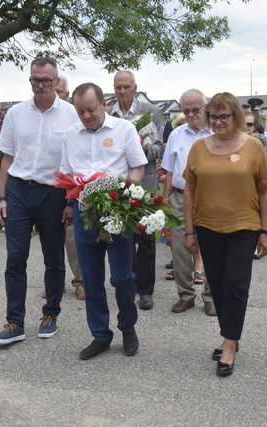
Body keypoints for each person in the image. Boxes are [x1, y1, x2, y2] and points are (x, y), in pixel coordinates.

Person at [183, 92, 267, 377]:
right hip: (208, 227)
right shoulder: (198, 148)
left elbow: (265, 190)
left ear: (236, 116)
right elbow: (189, 190)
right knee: (218, 285)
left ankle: (229, 342)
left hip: (244, 227)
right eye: (213, 116)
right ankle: (229, 333)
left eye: (224, 116)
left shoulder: (253, 147)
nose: (218, 121)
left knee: (236, 285)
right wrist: (189, 230)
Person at [0, 57, 79, 345]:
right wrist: (1, 197)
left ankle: (50, 313)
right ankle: (14, 322)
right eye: (35, 80)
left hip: (53, 193)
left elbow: (76, 162)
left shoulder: (71, 115)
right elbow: (6, 158)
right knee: (15, 257)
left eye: (46, 80)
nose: (40, 85)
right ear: (30, 80)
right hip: (18, 190)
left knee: (54, 257)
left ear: (56, 82)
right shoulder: (15, 113)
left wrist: (70, 201)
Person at [59, 82, 148, 360]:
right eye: (80, 111)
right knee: (91, 278)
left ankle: (128, 327)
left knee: (122, 278)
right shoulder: (70, 135)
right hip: (85, 213)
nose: (86, 116)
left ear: (104, 104)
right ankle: (100, 334)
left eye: (91, 110)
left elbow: (138, 167)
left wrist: (123, 194)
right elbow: (65, 174)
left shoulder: (124, 130)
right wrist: (71, 196)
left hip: (117, 213)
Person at [109, 70, 164, 310]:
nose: (122, 91)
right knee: (122, 237)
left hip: (146, 183)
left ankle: (146, 290)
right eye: (118, 87)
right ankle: (127, 284)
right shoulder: (108, 113)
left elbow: (160, 148)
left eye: (126, 86)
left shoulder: (150, 112)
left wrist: (141, 148)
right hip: (119, 183)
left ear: (135, 87)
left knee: (146, 238)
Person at [161, 89, 215, 316]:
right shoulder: (176, 135)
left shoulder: (217, 133)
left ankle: (211, 298)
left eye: (196, 109)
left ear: (206, 108)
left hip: (211, 197)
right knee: (180, 248)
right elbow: (169, 171)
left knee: (212, 247)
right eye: (187, 110)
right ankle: (185, 295)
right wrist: (164, 203)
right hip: (180, 198)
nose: (191, 114)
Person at [54, 75, 85, 299]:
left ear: (67, 93)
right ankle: (54, 281)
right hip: (45, 184)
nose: (56, 94)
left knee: (72, 237)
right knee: (50, 238)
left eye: (60, 91)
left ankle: (80, 280)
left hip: (71, 185)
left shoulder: (75, 116)